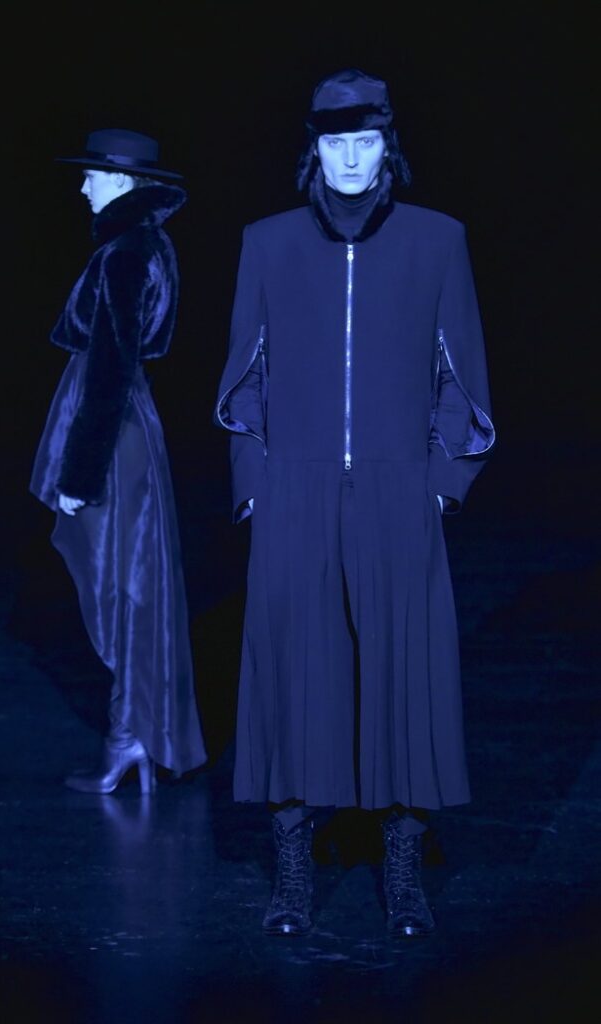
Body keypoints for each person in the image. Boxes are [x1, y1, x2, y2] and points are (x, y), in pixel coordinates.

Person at [214, 69, 495, 937]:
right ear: (315, 147)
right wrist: (255, 487)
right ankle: (293, 877)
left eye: (363, 141)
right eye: (334, 142)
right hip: (292, 490)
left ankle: (403, 874)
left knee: (405, 676)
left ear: (385, 146)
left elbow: (461, 375)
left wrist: (439, 484)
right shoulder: (267, 243)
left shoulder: (436, 240)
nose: (348, 158)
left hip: (396, 490)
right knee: (292, 676)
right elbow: (243, 377)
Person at [30, 128, 206, 793]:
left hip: (113, 434)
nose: (83, 187)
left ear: (123, 182)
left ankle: (130, 737)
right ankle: (131, 735)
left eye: (93, 176)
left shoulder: (124, 254)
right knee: (130, 583)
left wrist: (78, 475)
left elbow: (109, 370)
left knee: (121, 586)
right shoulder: (146, 244)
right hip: (131, 426)